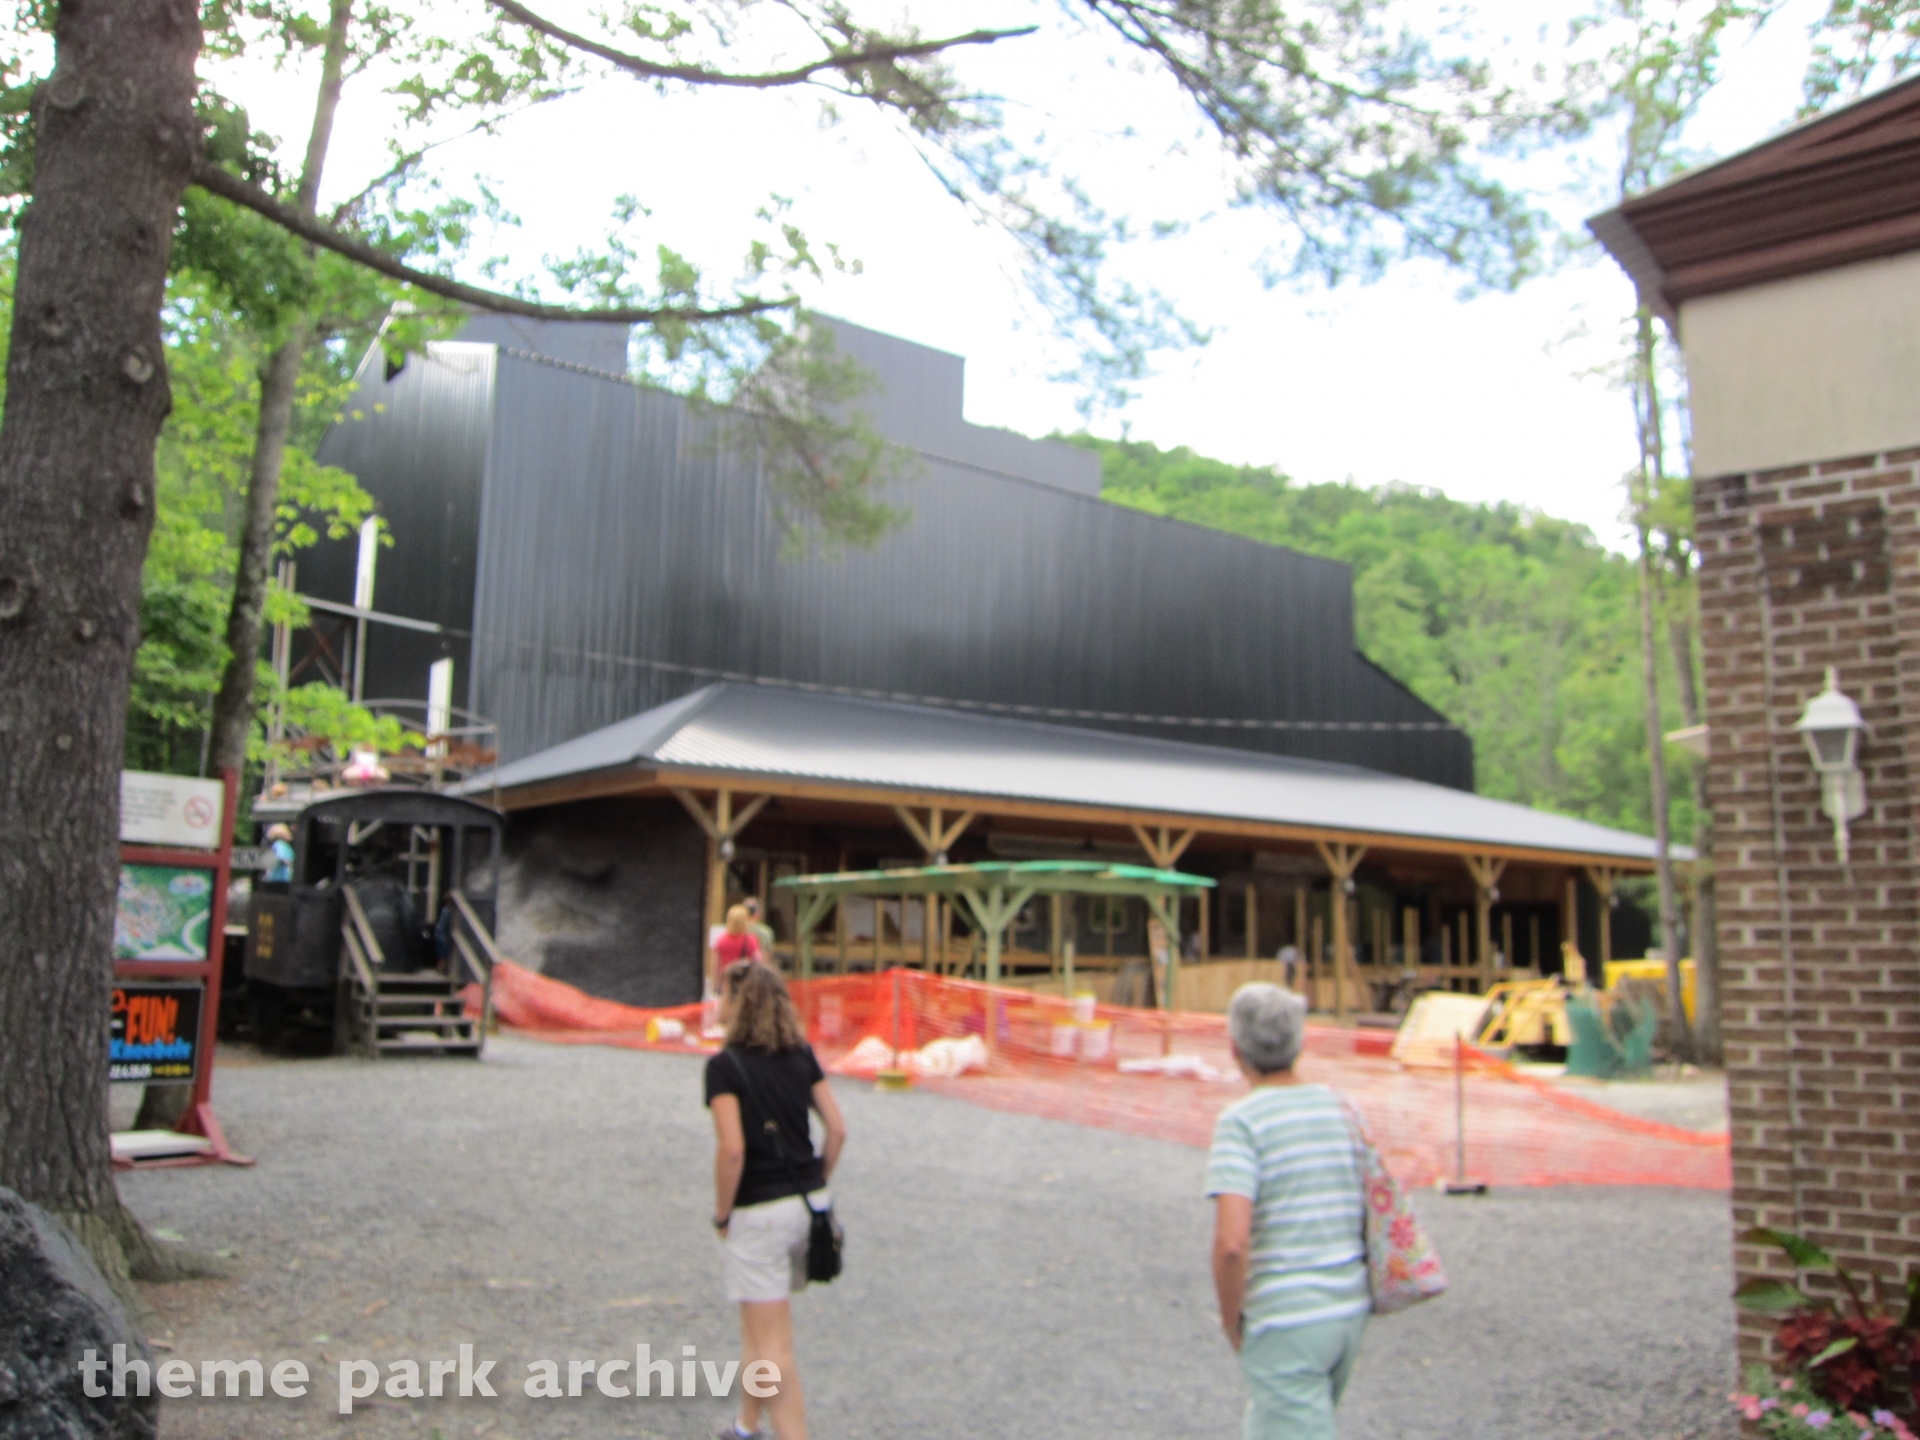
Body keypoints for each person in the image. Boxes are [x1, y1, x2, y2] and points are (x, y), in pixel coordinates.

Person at [1207, 983, 1368, 1440]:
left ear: (1235, 1049)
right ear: (1300, 1041)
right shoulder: (1343, 1109)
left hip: (1285, 1316)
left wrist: (1231, 1317)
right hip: (1347, 1309)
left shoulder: (1242, 1123)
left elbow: (1232, 1243)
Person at [706, 960, 847, 1440]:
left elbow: (732, 1150)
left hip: (759, 1212)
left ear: (736, 1002)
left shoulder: (724, 1068)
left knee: (773, 1347)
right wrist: (815, 1180)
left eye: (722, 992)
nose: (717, 1001)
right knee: (758, 1325)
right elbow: (838, 1129)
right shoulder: (801, 1055)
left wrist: (722, 1213)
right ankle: (746, 1425)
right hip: (808, 1207)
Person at [743, 897, 778, 965]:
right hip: (758, 966)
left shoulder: (736, 930)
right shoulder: (766, 931)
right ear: (758, 912)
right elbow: (768, 954)